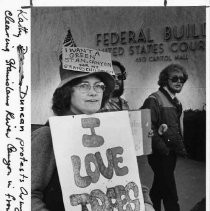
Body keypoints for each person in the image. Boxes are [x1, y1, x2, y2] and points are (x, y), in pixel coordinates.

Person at [32, 62, 154, 211]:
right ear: (66, 92)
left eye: (99, 86)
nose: (93, 92)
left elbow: (129, 176)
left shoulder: (110, 130)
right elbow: (26, 194)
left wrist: (146, 202)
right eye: (84, 86)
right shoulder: (46, 136)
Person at [141, 63, 188, 211]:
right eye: (174, 78)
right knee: (170, 193)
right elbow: (148, 128)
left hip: (170, 152)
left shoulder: (176, 102)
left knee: (159, 187)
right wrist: (164, 150)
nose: (179, 81)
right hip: (160, 154)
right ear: (165, 80)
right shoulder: (154, 99)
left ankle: (151, 206)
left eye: (182, 79)